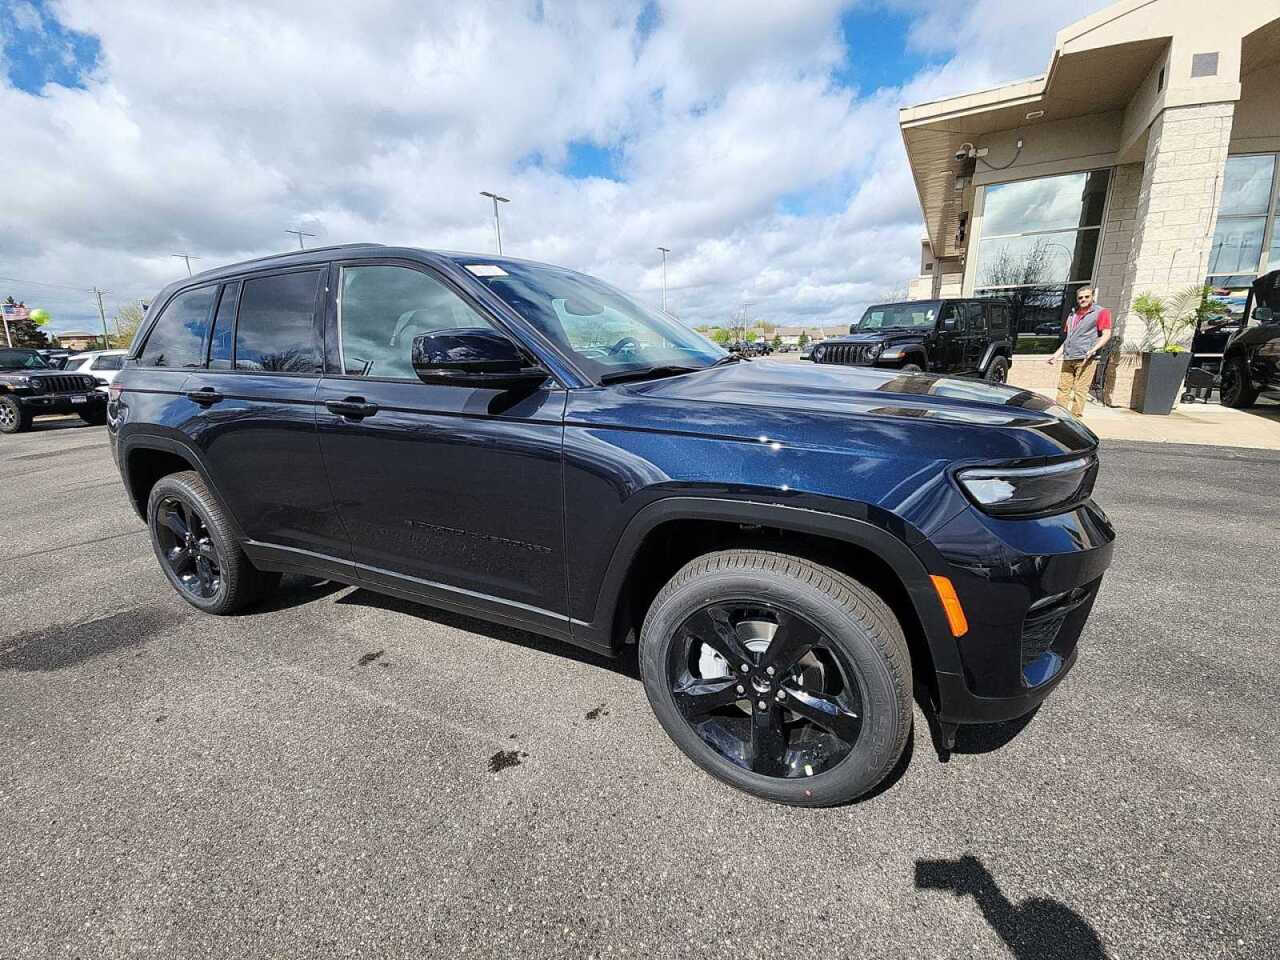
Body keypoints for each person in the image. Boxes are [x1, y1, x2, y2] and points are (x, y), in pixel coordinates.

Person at [1048, 286, 1112, 417]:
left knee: (1080, 390)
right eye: (1080, 297)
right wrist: (1056, 355)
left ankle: (1075, 420)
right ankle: (1060, 417)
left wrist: (1093, 350)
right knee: (1063, 389)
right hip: (1069, 357)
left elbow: (1106, 334)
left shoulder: (1101, 312)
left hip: (1085, 358)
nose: (1083, 299)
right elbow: (1069, 339)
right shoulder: (1072, 314)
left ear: (1092, 297)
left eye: (1087, 297)